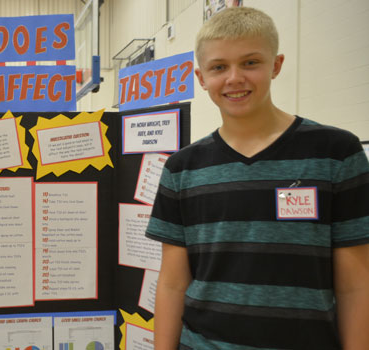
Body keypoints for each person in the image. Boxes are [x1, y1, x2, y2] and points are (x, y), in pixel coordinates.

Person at [146, 7, 369, 350]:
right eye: (219, 67)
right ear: (201, 77)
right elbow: (174, 283)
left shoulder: (336, 153)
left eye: (250, 62)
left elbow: (355, 284)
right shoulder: (182, 168)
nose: (234, 78)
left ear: (276, 65)